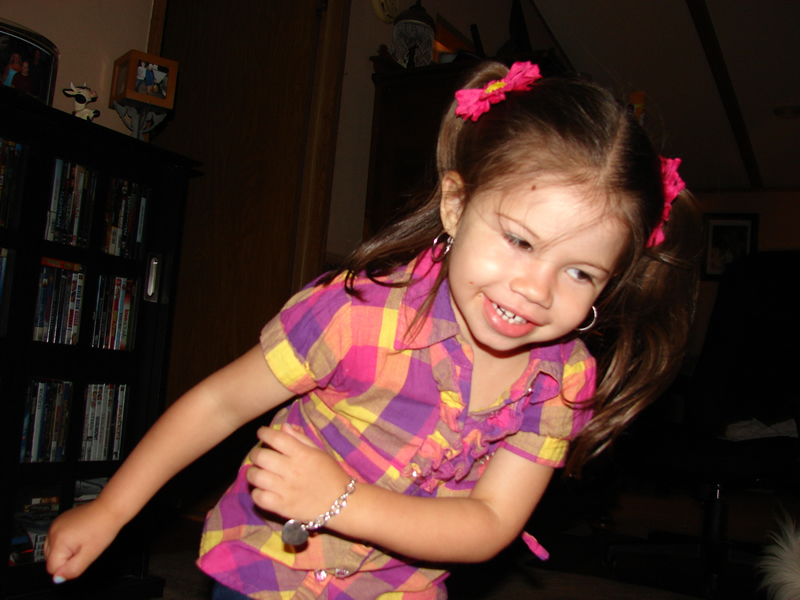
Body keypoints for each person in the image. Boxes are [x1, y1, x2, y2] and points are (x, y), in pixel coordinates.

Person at [45, 61, 700, 599]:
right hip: (268, 571)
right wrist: (111, 509)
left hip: (398, 590)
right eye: (520, 241)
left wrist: (342, 501)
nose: (536, 289)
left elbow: (491, 521)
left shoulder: (562, 378)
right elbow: (220, 403)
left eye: (580, 272)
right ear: (456, 205)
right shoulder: (354, 312)